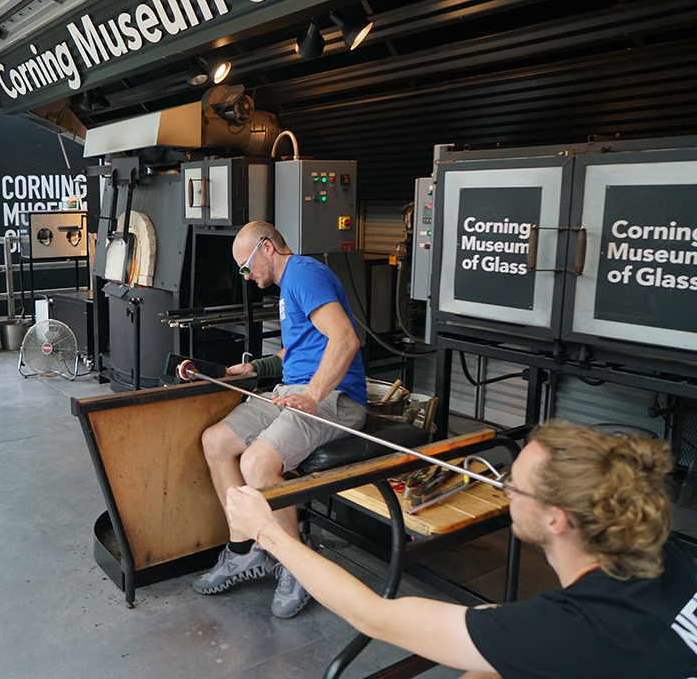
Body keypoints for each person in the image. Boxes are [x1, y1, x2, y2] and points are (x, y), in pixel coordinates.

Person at [225, 421, 697, 678]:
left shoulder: (572, 631)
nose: (504, 487)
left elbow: (373, 616)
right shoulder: (664, 552)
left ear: (556, 519)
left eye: (515, 484)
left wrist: (268, 531)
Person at [193, 221, 368, 618]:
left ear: (267, 248)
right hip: (295, 389)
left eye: (246, 266)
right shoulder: (290, 285)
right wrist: (254, 368)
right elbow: (298, 352)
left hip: (335, 398)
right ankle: (244, 551)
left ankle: (296, 564)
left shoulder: (303, 273)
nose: (246, 275)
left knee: (257, 462)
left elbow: (345, 339)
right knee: (216, 442)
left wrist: (310, 395)